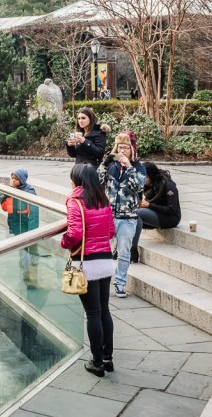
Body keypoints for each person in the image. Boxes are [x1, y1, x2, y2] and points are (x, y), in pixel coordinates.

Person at [61, 163, 115, 377]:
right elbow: (111, 231)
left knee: (92, 313)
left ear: (77, 180)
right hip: (105, 261)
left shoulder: (75, 201)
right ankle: (108, 358)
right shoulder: (103, 199)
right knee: (104, 310)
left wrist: (64, 242)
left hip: (87, 264)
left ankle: (97, 362)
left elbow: (75, 234)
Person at [101, 131, 145, 298]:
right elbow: (98, 180)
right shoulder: (112, 166)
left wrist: (129, 168)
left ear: (132, 149)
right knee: (104, 249)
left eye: (126, 148)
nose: (123, 151)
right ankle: (103, 280)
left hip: (128, 217)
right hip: (109, 214)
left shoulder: (139, 167)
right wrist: (105, 164)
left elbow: (139, 187)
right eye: (120, 147)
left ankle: (120, 283)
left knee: (124, 252)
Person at [129, 161, 182, 256]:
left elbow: (172, 209)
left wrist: (149, 205)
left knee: (138, 214)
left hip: (171, 218)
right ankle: (122, 247)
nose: (143, 179)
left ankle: (132, 250)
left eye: (145, 177)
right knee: (127, 214)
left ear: (152, 175)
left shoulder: (168, 185)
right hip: (156, 213)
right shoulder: (148, 185)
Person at [0, 168, 40, 283]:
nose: (13, 181)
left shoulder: (29, 192)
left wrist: (33, 232)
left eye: (16, 179)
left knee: (30, 251)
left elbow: (34, 214)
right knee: (22, 251)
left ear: (22, 180)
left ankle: (31, 273)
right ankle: (25, 272)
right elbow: (4, 207)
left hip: (27, 228)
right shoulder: (12, 191)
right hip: (18, 227)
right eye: (12, 178)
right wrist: (3, 192)